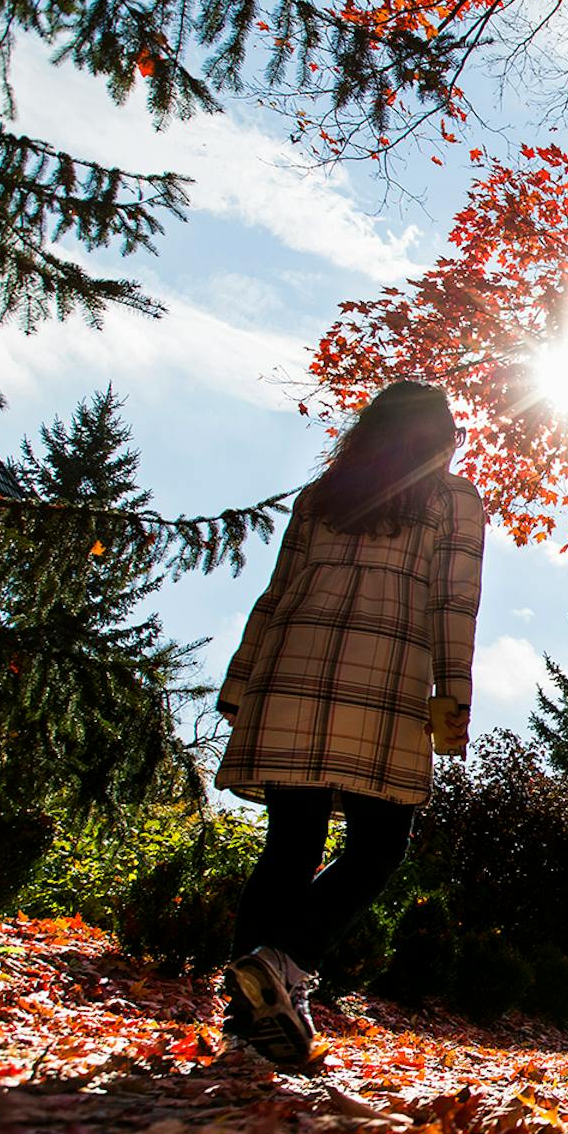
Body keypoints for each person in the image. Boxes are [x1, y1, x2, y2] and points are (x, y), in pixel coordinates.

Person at [214, 380, 485, 1066]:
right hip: (382, 680)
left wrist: (242, 680)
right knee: (381, 844)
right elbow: (454, 603)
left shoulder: (322, 494)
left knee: (289, 845)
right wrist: (453, 693)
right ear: (441, 435)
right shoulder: (451, 498)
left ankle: (249, 1020)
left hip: (290, 673)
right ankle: (286, 964)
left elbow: (275, 594)